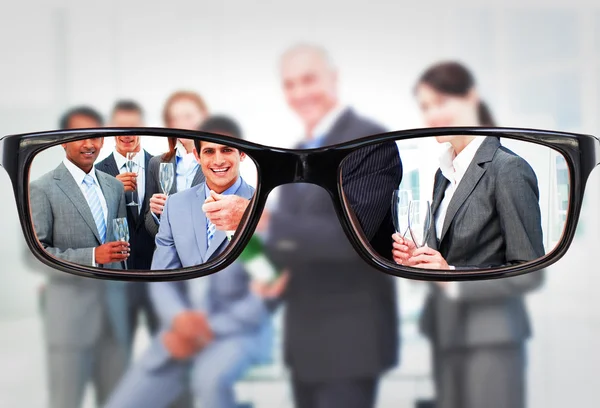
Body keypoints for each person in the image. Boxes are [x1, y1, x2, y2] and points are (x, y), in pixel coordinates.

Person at [392, 61, 545, 408]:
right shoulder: (442, 174)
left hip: (491, 339)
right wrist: (416, 258)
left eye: (440, 102)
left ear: (471, 98)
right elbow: (443, 256)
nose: (431, 115)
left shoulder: (508, 169)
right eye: (425, 106)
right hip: (445, 333)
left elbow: (530, 273)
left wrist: (451, 278)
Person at [104, 116, 284, 408]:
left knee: (209, 383)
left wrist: (208, 329)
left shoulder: (262, 210)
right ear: (197, 156)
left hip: (238, 332)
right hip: (181, 330)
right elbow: (162, 277)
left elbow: (267, 288)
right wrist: (179, 319)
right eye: (209, 151)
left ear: (242, 154)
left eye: (227, 150)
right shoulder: (177, 205)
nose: (218, 160)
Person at [261, 44, 401, 408]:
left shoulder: (371, 141)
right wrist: (255, 259)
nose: (300, 93)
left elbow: (350, 239)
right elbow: (283, 248)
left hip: (349, 343)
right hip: (303, 343)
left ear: (334, 79)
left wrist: (264, 220)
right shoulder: (295, 153)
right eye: (290, 84)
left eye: (309, 80)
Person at [29, 106, 130, 408]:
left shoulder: (113, 186)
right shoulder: (42, 188)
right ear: (62, 140)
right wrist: (92, 256)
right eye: (79, 136)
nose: (90, 143)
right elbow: (35, 254)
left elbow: (119, 240)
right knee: (66, 401)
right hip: (71, 322)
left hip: (114, 317)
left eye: (97, 136)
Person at [95, 100, 159, 347]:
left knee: (167, 348)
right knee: (118, 351)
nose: (127, 133)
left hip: (159, 274)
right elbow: (94, 226)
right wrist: (114, 189)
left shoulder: (162, 166)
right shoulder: (97, 173)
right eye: (120, 126)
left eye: (133, 126)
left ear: (144, 126)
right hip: (117, 280)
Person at [144, 90, 208, 237]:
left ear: (204, 116)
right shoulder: (157, 163)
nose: (181, 123)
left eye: (188, 116)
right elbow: (149, 225)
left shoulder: (217, 163)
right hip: (169, 255)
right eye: (175, 118)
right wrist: (155, 214)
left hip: (206, 256)